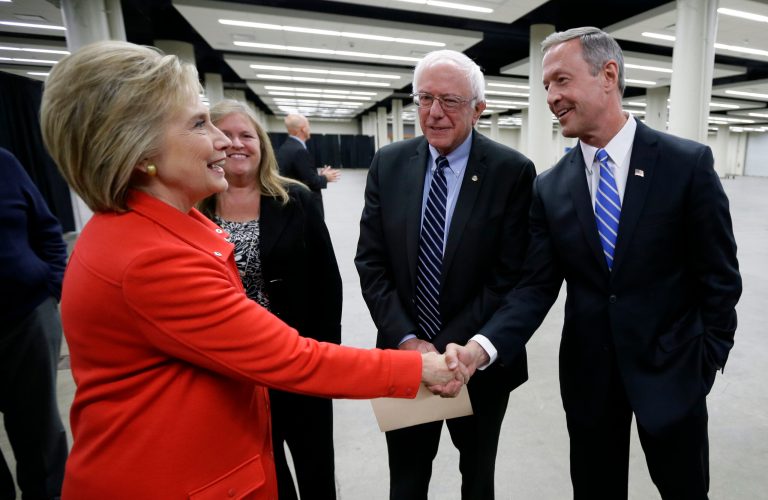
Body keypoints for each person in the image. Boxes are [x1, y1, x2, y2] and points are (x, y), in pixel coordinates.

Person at [39, 40, 466, 499]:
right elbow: (292, 357)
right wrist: (420, 370)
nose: (224, 141)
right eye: (200, 124)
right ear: (138, 146)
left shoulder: (161, 228)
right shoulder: (151, 258)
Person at [448, 27, 742, 499]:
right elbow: (534, 287)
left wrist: (706, 359)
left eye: (561, 81)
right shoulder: (551, 187)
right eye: (546, 86)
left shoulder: (685, 165)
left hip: (673, 370)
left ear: (608, 75)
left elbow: (719, 277)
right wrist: (482, 347)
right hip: (589, 379)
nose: (551, 96)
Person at [354, 49, 536, 500]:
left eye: (450, 101)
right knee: (407, 482)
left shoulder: (512, 173)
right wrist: (411, 343)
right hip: (406, 358)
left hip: (475, 365)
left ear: (479, 108)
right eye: (425, 98)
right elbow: (371, 263)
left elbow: (508, 276)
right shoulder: (389, 164)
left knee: (477, 480)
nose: (434, 113)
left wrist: (450, 352)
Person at [198, 99, 342, 500]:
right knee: (265, 469)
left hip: (298, 359)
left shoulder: (294, 199)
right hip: (232, 372)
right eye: (226, 135)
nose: (237, 144)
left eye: (247, 135)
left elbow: (328, 284)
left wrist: (327, 358)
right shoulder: (194, 208)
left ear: (262, 145)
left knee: (315, 465)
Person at [0, 147, 69, 500]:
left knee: (40, 432)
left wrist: (53, 283)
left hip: (26, 316)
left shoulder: (5, 163)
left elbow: (46, 227)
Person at [276, 113, 340, 218]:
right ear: (303, 129)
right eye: (308, 126)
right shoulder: (299, 150)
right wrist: (325, 177)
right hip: (303, 207)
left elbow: (302, 176)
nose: (310, 129)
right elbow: (311, 182)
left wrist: (320, 175)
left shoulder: (287, 147)